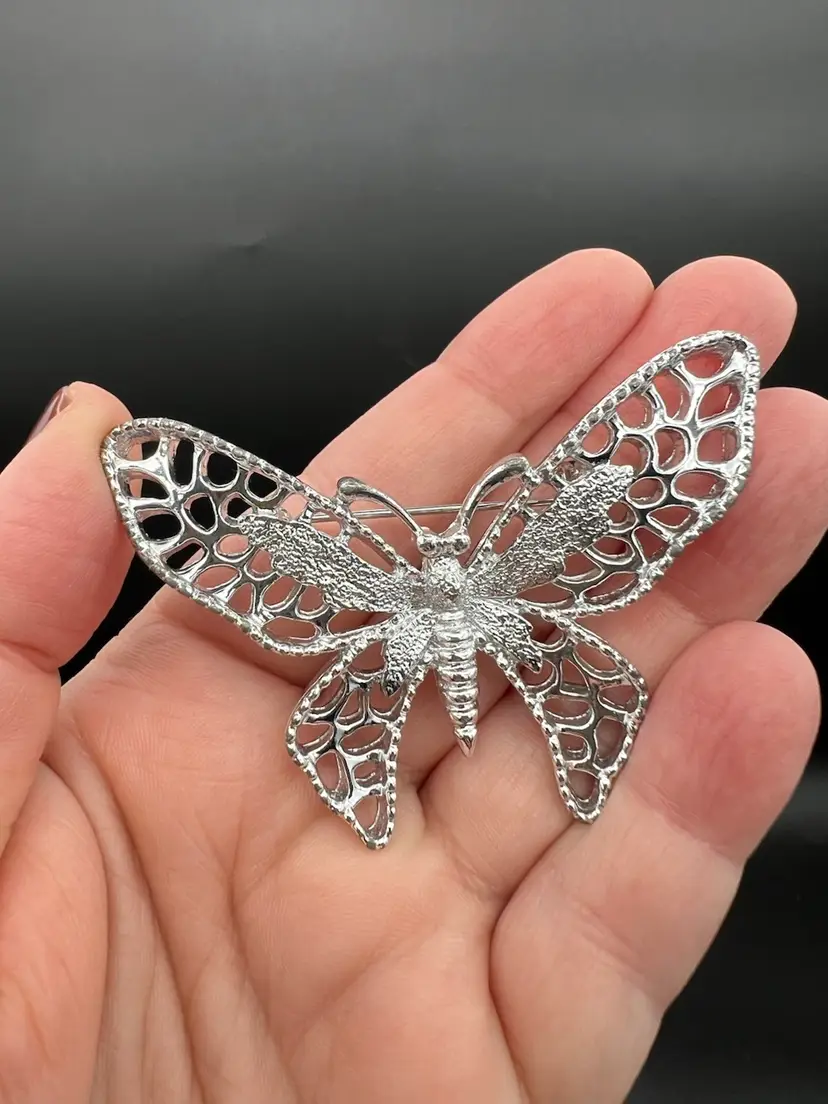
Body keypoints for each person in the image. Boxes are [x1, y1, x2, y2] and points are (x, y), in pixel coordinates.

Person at [1, 249, 825, 1103]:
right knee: (588, 690)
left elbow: (246, 530)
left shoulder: (367, 563)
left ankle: (483, 774)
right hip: (514, 628)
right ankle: (495, 771)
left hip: (412, 644)